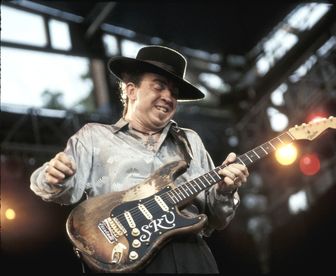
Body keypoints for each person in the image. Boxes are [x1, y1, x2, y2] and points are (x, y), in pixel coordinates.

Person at [30, 45, 249, 273]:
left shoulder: (190, 141)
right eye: (159, 86)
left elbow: (216, 220)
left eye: (174, 92)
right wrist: (52, 176)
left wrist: (225, 190)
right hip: (122, 256)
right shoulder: (94, 136)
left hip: (189, 255)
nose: (168, 97)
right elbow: (65, 192)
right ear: (132, 90)